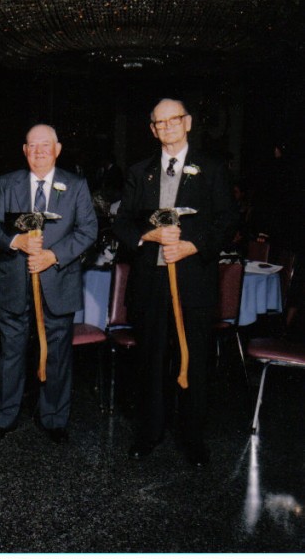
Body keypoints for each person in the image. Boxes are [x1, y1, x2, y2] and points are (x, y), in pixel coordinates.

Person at [113, 98, 238, 467]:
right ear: (152, 129)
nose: (166, 127)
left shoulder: (212, 169)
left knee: (194, 359)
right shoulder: (140, 172)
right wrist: (147, 237)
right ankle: (148, 433)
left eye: (173, 121)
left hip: (193, 283)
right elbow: (122, 223)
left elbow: (228, 220)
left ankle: (193, 438)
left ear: (188, 123)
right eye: (159, 123)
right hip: (150, 284)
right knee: (150, 360)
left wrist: (192, 246)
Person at [0, 124, 98, 444]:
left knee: (58, 355)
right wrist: (15, 241)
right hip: (14, 285)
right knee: (11, 353)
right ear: (24, 150)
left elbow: (88, 231)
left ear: (57, 149)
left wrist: (53, 256)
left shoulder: (75, 185)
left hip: (58, 283)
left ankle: (54, 418)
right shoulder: (7, 183)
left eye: (45, 146)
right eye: (32, 147)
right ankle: (4, 417)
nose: (38, 152)